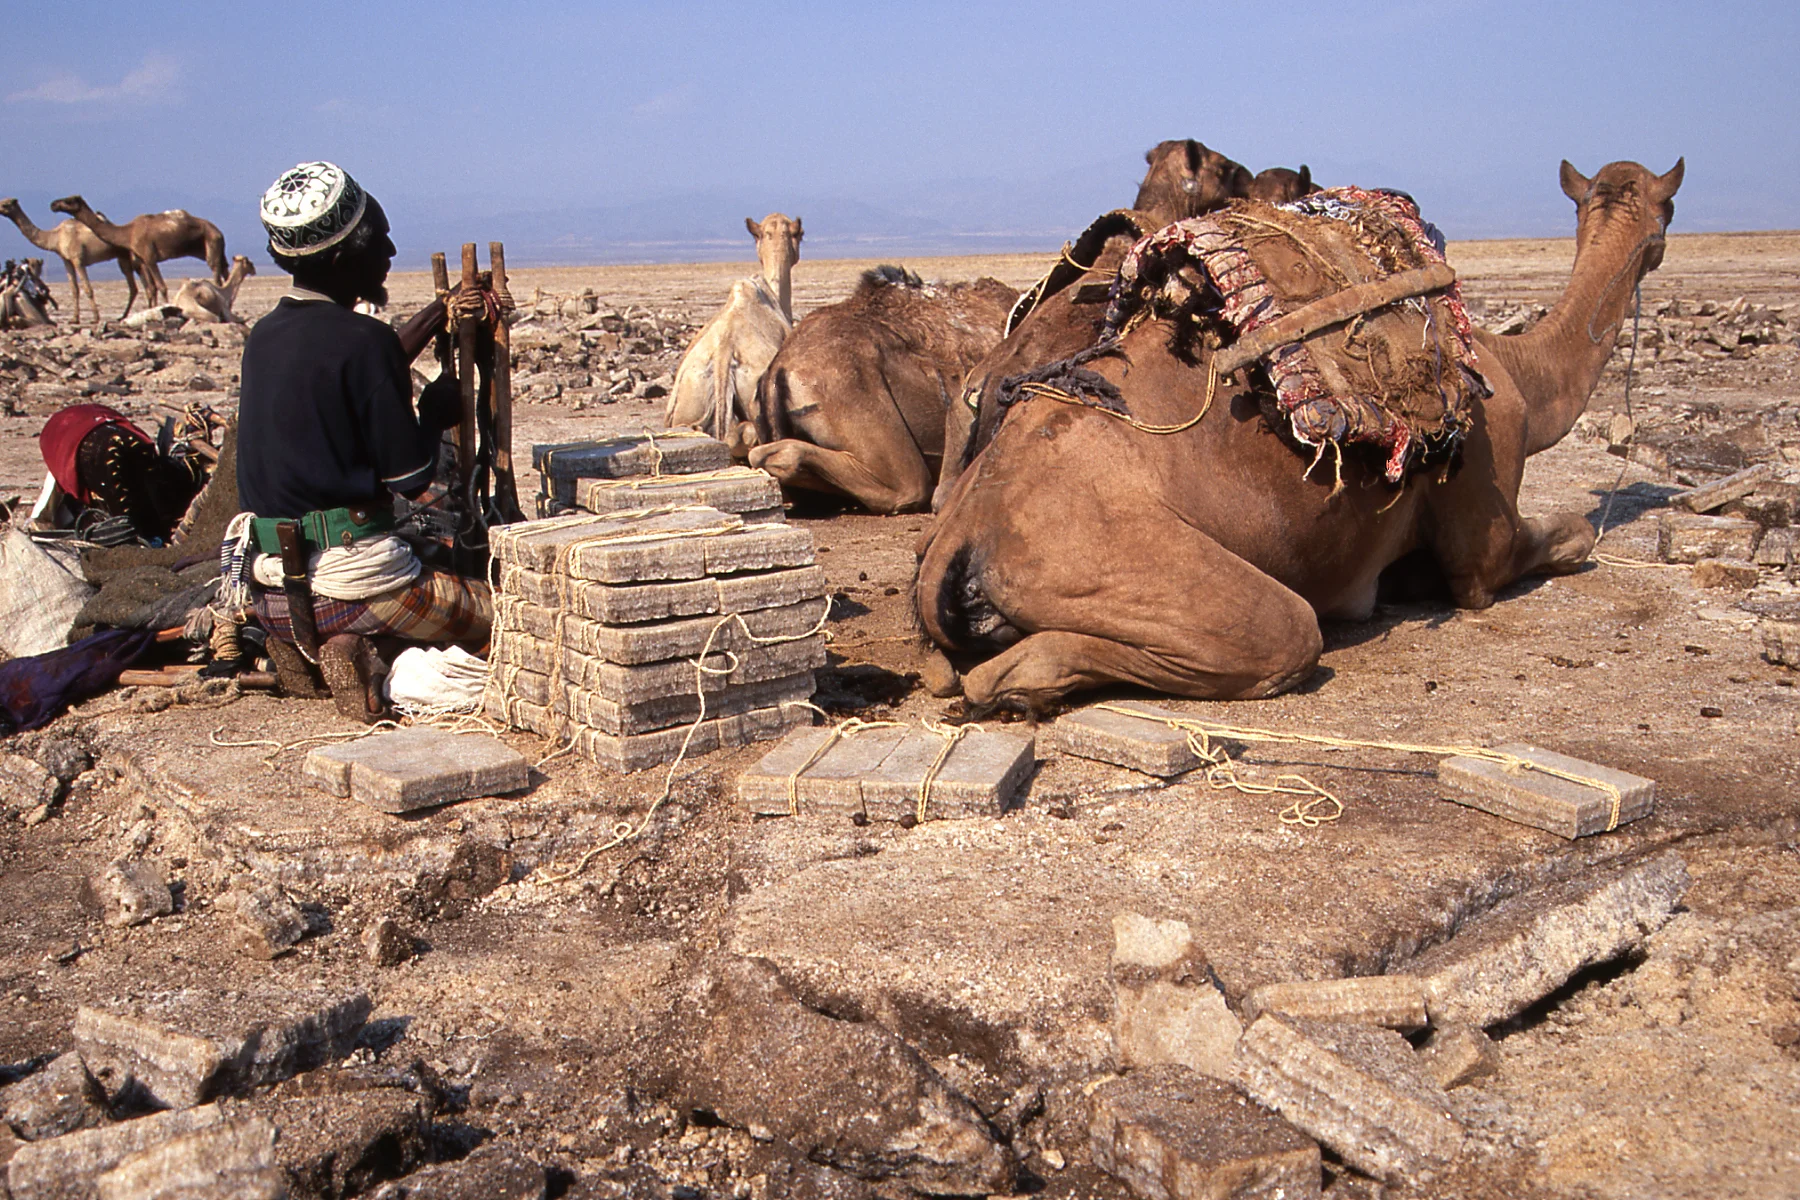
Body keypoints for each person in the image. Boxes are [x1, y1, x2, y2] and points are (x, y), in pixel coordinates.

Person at [231, 160, 487, 721]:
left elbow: (350, 371)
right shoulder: (364, 341)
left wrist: (437, 312)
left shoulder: (265, 337)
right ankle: (363, 654)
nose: (391, 253)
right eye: (382, 241)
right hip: (355, 588)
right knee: (509, 616)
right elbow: (414, 477)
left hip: (272, 595)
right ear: (347, 256)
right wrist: (433, 413)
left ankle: (308, 651)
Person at [37, 403, 208, 543]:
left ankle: (142, 540)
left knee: (127, 512)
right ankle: (147, 538)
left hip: (92, 443)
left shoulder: (60, 445)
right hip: (117, 440)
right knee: (142, 499)